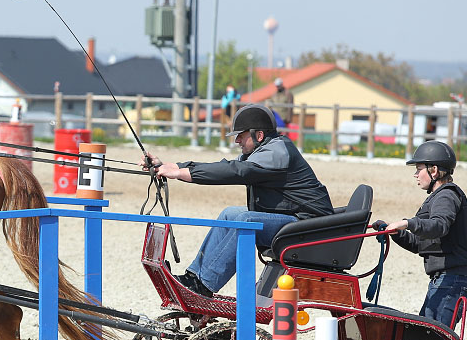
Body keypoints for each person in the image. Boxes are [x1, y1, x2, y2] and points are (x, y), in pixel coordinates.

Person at [143, 104, 333, 297]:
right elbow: (224, 166)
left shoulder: (277, 152)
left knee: (246, 221)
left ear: (259, 135)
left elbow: (236, 171)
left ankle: (204, 286)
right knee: (230, 213)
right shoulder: (264, 150)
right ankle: (194, 277)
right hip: (296, 222)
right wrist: (169, 166)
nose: (236, 141)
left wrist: (179, 173)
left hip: (310, 228)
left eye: (241, 135)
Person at [373, 141, 467, 327]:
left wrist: (408, 222)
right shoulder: (437, 198)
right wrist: (394, 232)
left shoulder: (446, 195)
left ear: (434, 170)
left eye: (418, 168)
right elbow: (418, 244)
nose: (415, 174)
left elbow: (439, 225)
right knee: (428, 333)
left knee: (433, 338)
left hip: (454, 278)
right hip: (449, 278)